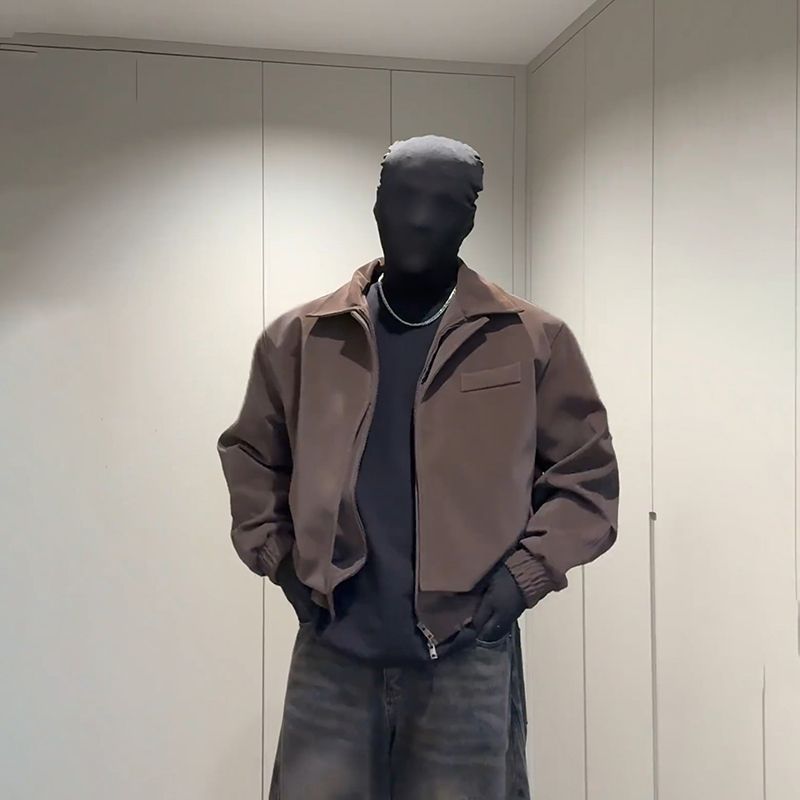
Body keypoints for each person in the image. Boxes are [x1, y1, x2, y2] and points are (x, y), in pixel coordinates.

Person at [217, 133, 620, 799]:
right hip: (333, 646)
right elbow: (253, 457)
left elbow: (586, 479)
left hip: (465, 650)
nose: (421, 219)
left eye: (444, 204)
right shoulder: (303, 338)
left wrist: (520, 580)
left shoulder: (530, 340)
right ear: (377, 206)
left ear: (470, 219)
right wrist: (283, 563)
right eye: (404, 199)